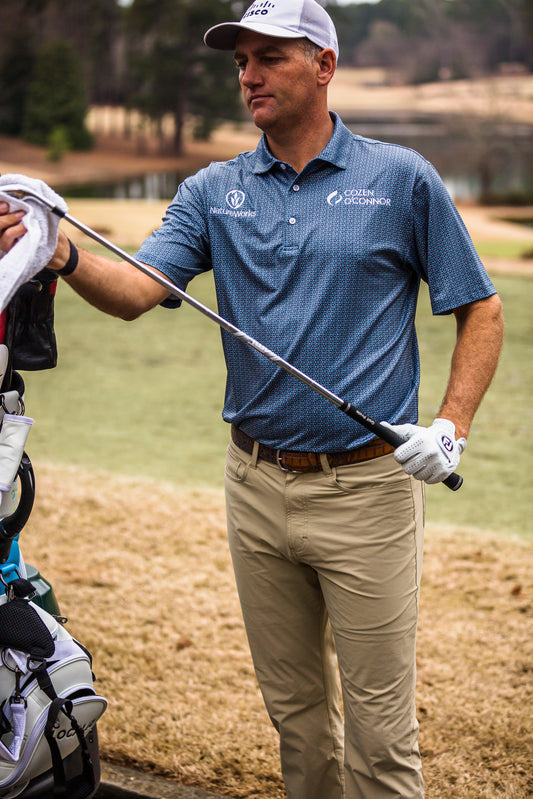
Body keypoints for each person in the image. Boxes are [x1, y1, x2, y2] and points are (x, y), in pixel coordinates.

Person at [0, 1, 504, 796]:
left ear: (324, 66)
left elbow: (480, 307)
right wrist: (61, 248)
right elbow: (134, 289)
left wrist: (451, 425)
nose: (249, 74)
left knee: (380, 737)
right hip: (256, 487)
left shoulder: (399, 178)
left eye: (270, 57)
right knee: (297, 720)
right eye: (241, 61)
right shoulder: (213, 190)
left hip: (368, 491)